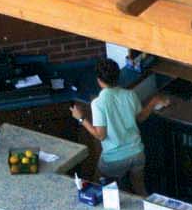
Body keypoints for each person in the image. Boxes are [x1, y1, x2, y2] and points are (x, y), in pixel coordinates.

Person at [71, 57, 170, 194]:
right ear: (118, 76)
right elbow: (140, 118)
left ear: (99, 80)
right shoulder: (130, 95)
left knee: (98, 186)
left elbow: (100, 135)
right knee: (139, 188)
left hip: (113, 159)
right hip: (137, 153)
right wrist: (153, 102)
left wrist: (81, 118)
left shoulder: (98, 103)